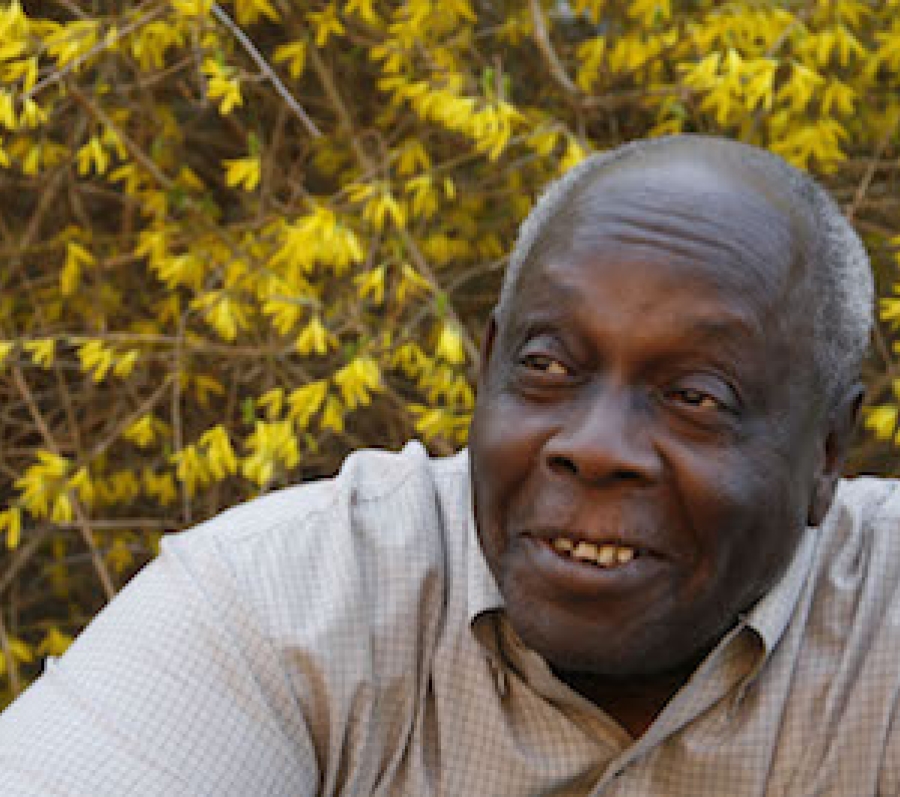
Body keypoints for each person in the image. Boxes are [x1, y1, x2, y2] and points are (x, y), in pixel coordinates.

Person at [0, 133, 895, 795]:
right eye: (547, 365)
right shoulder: (281, 605)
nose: (590, 446)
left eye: (697, 395)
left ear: (825, 452)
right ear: (488, 366)